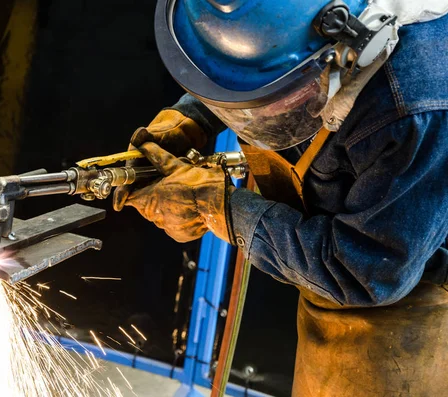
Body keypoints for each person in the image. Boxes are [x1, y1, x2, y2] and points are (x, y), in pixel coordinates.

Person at [113, 0, 448, 395]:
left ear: (341, 53)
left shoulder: (414, 110)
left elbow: (368, 272)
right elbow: (259, 66)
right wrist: (196, 114)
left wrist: (216, 208)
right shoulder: (292, 36)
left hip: (409, 313)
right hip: (334, 291)